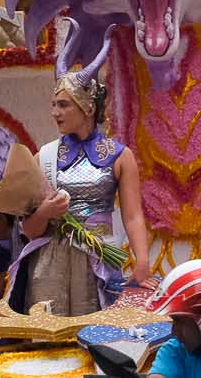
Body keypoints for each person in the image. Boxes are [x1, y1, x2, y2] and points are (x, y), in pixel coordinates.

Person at [11, 44, 147, 314]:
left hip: (99, 258)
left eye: (63, 105)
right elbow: (29, 231)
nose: (55, 112)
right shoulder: (44, 157)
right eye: (53, 105)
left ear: (86, 107)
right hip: (49, 265)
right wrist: (45, 212)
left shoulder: (120, 156)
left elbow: (133, 216)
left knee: (98, 336)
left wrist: (142, 260)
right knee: (49, 345)